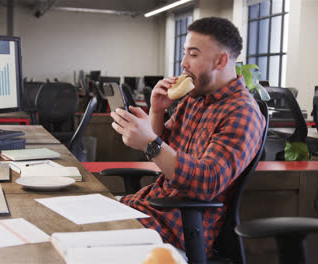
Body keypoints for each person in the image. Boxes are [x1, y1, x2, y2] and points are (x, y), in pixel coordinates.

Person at [110, 17, 266, 256]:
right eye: (185, 53)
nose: (183, 63)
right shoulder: (194, 99)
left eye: (193, 55)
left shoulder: (243, 113)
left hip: (176, 229)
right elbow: (165, 151)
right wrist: (158, 110)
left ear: (221, 60)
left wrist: (150, 143)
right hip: (150, 207)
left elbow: (208, 181)